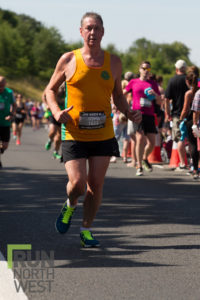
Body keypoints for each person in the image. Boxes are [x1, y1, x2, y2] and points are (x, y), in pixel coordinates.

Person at [45, 12, 141, 247]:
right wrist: (57, 113)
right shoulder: (68, 59)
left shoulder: (114, 62)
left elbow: (118, 95)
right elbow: (49, 90)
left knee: (95, 184)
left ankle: (86, 230)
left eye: (97, 28)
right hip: (74, 133)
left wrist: (128, 111)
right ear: (81, 32)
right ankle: (70, 205)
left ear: (103, 32)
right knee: (77, 184)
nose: (92, 33)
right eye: (88, 28)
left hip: (103, 133)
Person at [124, 61, 161, 176]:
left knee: (152, 142)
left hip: (150, 114)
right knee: (140, 139)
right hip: (137, 114)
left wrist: (154, 94)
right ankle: (139, 166)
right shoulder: (133, 82)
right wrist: (122, 106)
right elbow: (122, 93)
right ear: (140, 69)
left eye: (148, 69)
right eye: (144, 68)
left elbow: (159, 101)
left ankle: (145, 158)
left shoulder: (153, 83)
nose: (146, 71)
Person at [165, 59, 188, 170]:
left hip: (177, 114)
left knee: (180, 139)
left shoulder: (172, 81)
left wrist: (167, 113)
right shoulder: (191, 80)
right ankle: (196, 164)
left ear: (176, 68)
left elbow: (166, 98)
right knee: (194, 139)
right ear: (185, 68)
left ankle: (183, 163)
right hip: (191, 113)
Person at [180, 67, 199, 179]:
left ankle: (195, 169)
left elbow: (185, 109)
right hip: (197, 119)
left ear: (187, 82)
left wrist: (181, 119)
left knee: (192, 145)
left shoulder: (189, 93)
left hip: (191, 120)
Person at [43, 83, 65, 160]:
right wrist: (46, 104)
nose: (62, 90)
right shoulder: (54, 90)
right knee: (53, 130)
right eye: (61, 89)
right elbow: (44, 94)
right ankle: (50, 140)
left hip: (63, 115)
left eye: (63, 89)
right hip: (53, 113)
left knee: (59, 137)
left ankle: (55, 152)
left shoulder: (67, 93)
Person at [0, 76, 16, 168]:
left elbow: (14, 105)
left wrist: (12, 115)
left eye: (2, 86)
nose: (0, 88)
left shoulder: (9, 92)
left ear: (5, 84)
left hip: (5, 123)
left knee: (5, 145)